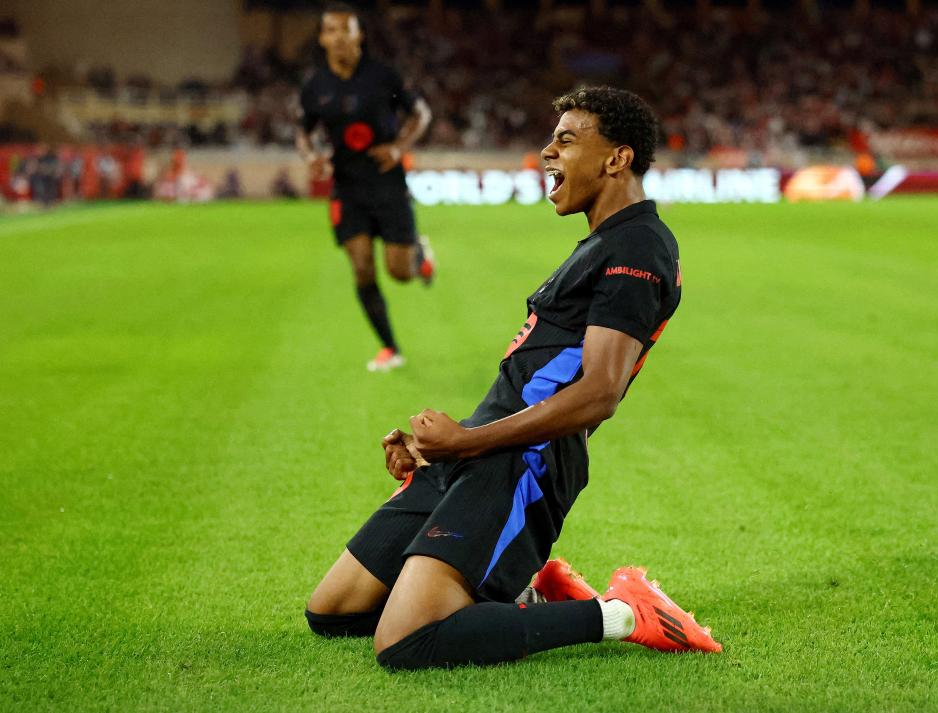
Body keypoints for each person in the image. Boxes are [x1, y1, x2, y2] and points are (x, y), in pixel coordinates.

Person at [304, 86, 722, 669]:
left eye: (566, 140)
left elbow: (599, 393)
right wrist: (442, 448)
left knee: (404, 642)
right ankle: (525, 593)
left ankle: (623, 613)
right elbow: (534, 377)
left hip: (526, 463)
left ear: (617, 158)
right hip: (484, 447)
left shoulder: (638, 247)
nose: (548, 152)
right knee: (333, 612)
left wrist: (467, 442)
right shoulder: (601, 243)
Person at [296, 2, 434, 372]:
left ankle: (418, 254)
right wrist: (311, 156)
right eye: (331, 30)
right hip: (347, 188)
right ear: (322, 38)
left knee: (399, 273)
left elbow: (421, 114)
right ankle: (390, 347)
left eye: (346, 29)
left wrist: (398, 147)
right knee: (361, 267)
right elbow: (303, 132)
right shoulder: (315, 86)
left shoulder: (383, 76)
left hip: (387, 183)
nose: (339, 37)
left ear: (360, 35)